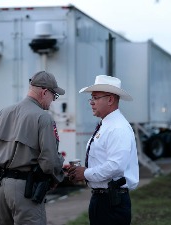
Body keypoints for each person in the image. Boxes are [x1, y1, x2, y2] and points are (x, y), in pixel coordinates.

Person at [0, 71, 65, 225]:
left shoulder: (2, 113)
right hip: (25, 190)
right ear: (44, 92)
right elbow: (49, 161)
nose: (52, 101)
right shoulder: (43, 118)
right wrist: (57, 177)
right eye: (54, 96)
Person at [68, 75, 139, 225]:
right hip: (103, 200)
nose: (91, 102)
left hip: (112, 202)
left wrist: (85, 173)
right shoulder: (107, 124)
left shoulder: (118, 127)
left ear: (110, 99)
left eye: (95, 97)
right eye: (91, 98)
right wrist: (80, 172)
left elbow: (115, 166)